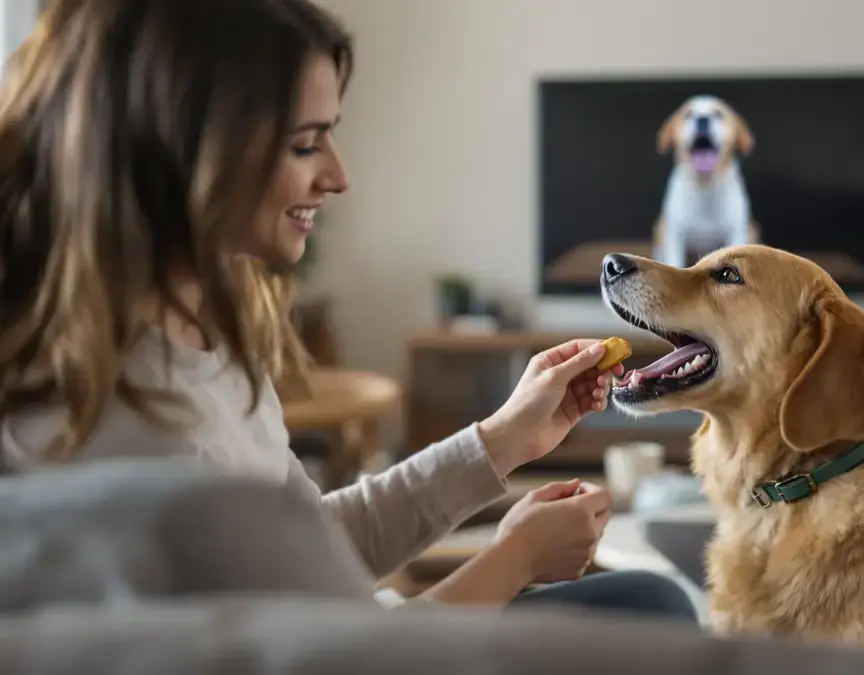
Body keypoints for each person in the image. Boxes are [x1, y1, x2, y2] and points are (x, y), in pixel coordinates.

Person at [0, 0, 694, 622]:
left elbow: (311, 546)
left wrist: (505, 437)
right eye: (306, 143)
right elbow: (325, 657)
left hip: (354, 627)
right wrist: (509, 559)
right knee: (653, 610)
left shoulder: (203, 333)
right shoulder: (115, 417)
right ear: (184, 149)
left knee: (646, 601)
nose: (338, 174)